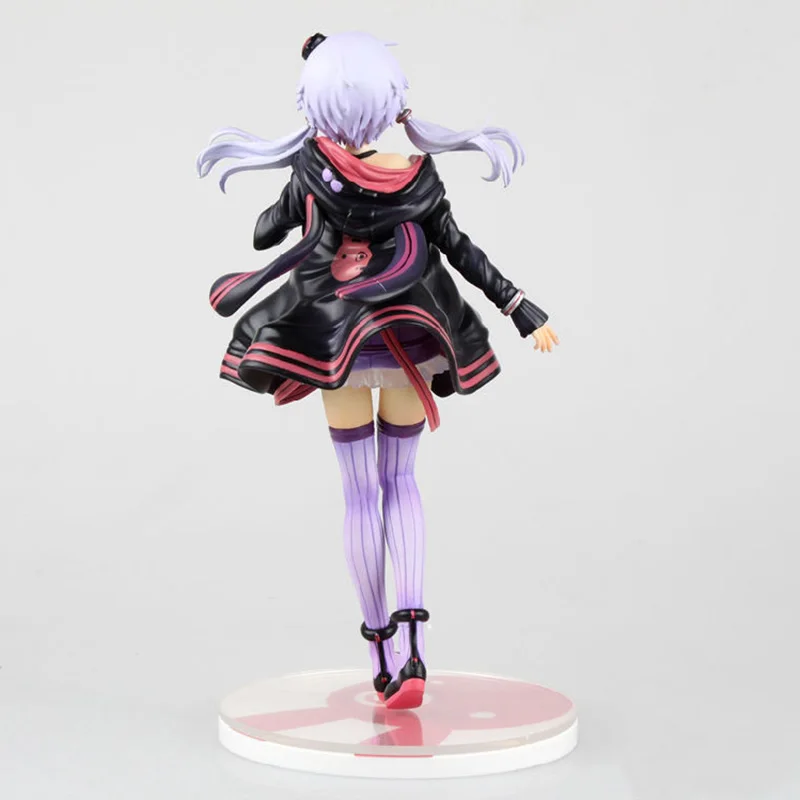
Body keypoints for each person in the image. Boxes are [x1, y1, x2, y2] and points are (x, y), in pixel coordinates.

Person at [197, 30, 559, 710]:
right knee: (403, 482)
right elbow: (461, 250)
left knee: (361, 493)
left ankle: (382, 659)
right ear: (391, 102)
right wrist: (520, 307)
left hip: (337, 347)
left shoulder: (312, 167)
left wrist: (299, 187)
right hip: (411, 342)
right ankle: (417, 649)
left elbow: (263, 232)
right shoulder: (418, 173)